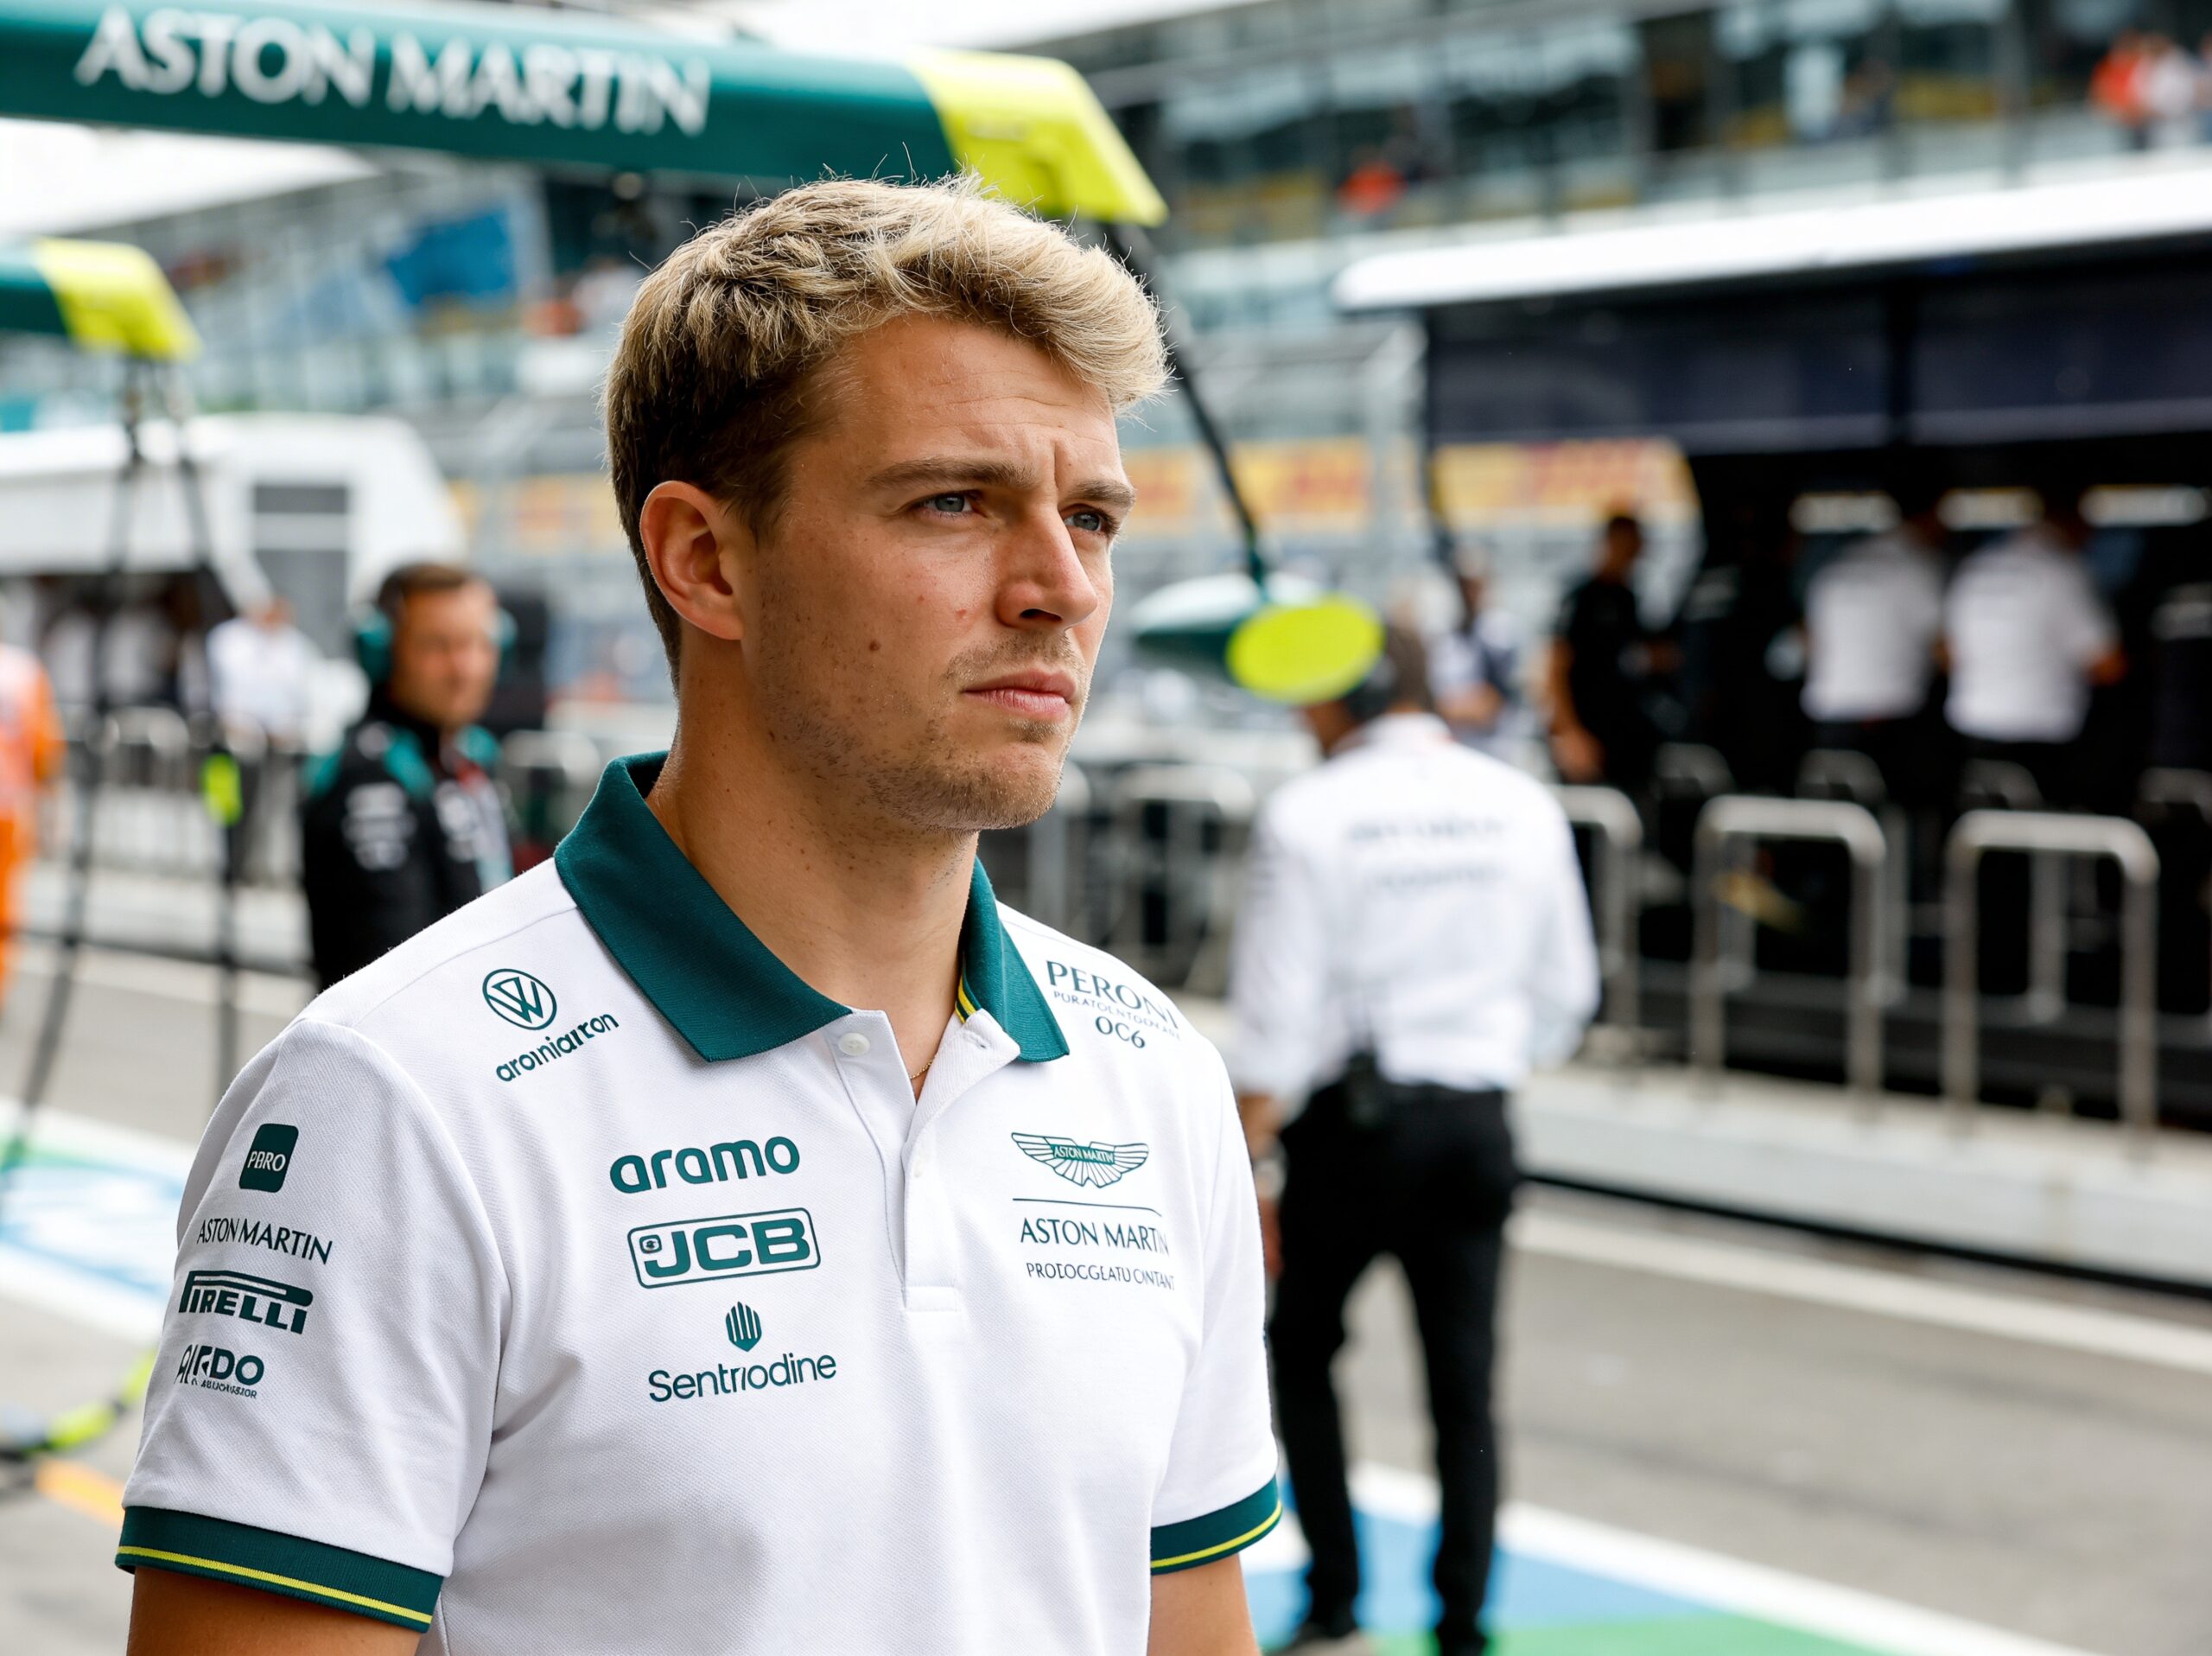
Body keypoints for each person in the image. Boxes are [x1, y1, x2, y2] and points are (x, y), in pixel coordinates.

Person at [119, 179, 1277, 1656]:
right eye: (956, 502)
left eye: (1093, 517)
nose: (1062, 587)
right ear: (705, 560)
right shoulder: (394, 1101)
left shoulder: (1149, 1072)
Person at [1231, 627, 1600, 1656]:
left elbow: (1275, 1021)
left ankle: (1336, 1603)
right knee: (1465, 1382)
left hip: (1352, 1125)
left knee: (1300, 1352)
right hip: (1477, 1116)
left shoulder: (1308, 811)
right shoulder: (1519, 802)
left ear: (1326, 703)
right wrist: (1482, 1054)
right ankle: (1464, 1623)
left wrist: (1246, 1165)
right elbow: (1567, 993)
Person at [296, 562, 512, 989]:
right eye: (438, 646)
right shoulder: (370, 777)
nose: (464, 669)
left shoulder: (467, 758)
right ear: (381, 653)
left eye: (479, 644)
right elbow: (398, 968)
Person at [1942, 487, 2126, 807]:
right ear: (2078, 520)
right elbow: (2110, 666)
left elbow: (1946, 654)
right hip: (2044, 738)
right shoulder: (2063, 569)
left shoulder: (1975, 567)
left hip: (1971, 733)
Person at [1801, 475, 1949, 804]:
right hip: (1891, 727)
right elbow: (1946, 652)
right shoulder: (1920, 566)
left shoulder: (1838, 565)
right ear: (1934, 514)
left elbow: (1808, 642)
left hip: (1828, 723)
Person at [1547, 512, 1663, 793]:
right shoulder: (1582, 598)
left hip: (1626, 739)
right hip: (1587, 739)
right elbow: (1554, 669)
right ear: (1612, 542)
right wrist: (1569, 733)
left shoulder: (1629, 599)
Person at [0, 632, 63, 1006]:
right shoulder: (24, 671)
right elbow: (45, 750)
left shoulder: (24, 671)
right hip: (10, 808)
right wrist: (51, 810)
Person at [1428, 543, 1528, 761]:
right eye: (1462, 585)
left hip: (1494, 753)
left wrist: (1452, 707)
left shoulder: (1500, 631)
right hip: (1453, 752)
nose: (1468, 593)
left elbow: (1493, 702)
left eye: (1474, 585)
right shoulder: (1445, 634)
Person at [206, 596, 317, 750]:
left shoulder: (294, 642)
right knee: (243, 743)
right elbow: (231, 685)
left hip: (282, 719)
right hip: (238, 717)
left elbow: (300, 685)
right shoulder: (229, 637)